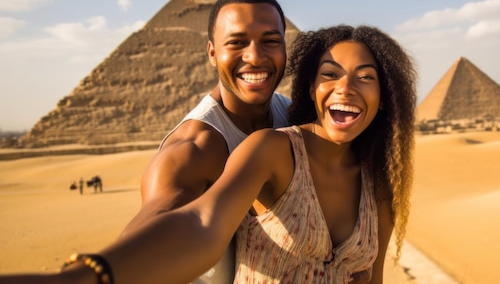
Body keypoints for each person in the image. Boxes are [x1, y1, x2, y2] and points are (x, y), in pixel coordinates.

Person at [0, 25, 417, 284]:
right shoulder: (272, 150)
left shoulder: (378, 181)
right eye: (330, 75)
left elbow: (370, 277)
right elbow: (201, 225)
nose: (346, 87)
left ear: (385, 98)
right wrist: (90, 275)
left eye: (366, 78)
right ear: (311, 88)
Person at [120, 0, 291, 283]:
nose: (255, 57)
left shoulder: (290, 114)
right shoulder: (194, 148)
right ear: (212, 53)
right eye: (237, 42)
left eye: (271, 41)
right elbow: (150, 229)